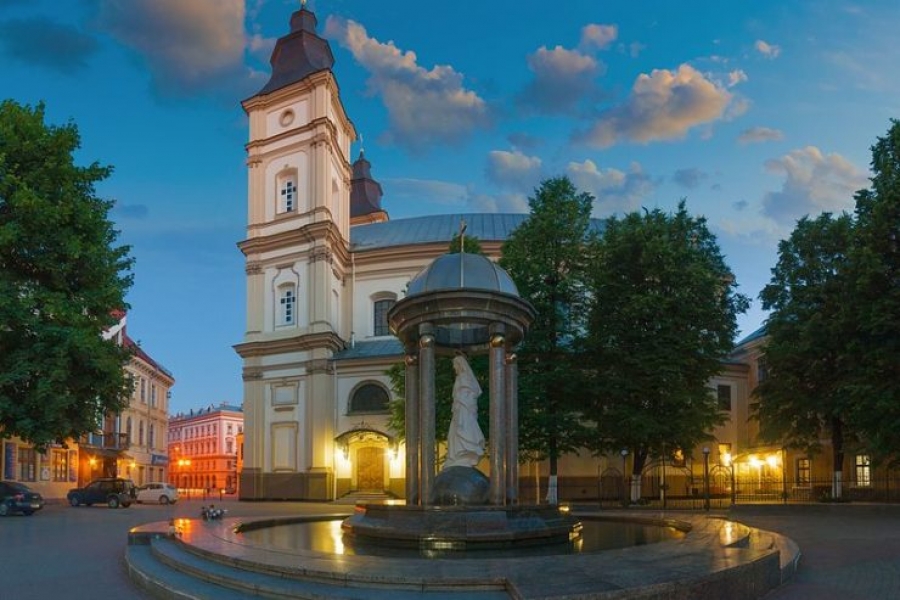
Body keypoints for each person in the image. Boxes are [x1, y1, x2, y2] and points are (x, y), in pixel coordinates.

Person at [443, 354, 485, 469]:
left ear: (460, 365)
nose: (454, 368)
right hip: (459, 409)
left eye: (455, 365)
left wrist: (460, 401)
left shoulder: (464, 378)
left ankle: (463, 453)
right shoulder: (460, 378)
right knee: (453, 435)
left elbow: (470, 394)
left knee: (462, 430)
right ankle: (456, 456)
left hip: (464, 410)